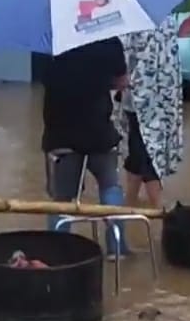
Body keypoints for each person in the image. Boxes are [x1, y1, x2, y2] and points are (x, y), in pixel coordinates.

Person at [41, 37, 129, 255]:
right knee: (110, 187)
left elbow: (46, 79)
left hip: (62, 136)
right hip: (99, 133)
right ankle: (116, 249)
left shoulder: (50, 43)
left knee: (61, 199)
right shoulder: (108, 40)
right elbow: (122, 81)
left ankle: (58, 253)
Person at [119, 16, 183, 209]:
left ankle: (158, 211)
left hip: (141, 100)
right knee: (139, 152)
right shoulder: (167, 19)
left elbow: (121, 58)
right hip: (161, 99)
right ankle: (130, 203)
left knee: (146, 155)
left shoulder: (130, 22)